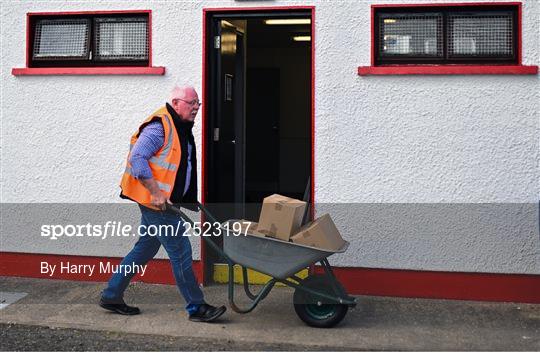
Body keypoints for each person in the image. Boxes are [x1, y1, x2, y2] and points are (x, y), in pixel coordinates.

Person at [99, 85, 226, 323]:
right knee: (181, 253)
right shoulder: (160, 126)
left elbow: (175, 166)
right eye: (192, 103)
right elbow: (138, 158)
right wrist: (156, 193)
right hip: (157, 204)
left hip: (163, 202)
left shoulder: (180, 126)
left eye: (198, 103)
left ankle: (112, 295)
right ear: (176, 103)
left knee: (145, 248)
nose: (197, 107)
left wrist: (187, 196)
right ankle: (196, 307)